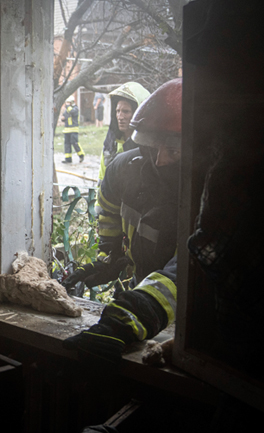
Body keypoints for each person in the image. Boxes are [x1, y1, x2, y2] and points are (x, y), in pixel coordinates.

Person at [62, 78, 182, 365]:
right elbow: (108, 208)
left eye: (174, 151)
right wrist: (112, 254)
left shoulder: (205, 198)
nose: (160, 160)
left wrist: (124, 321)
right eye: (155, 147)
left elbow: (184, 274)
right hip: (145, 301)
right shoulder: (124, 170)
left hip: (184, 321)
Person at [98, 82, 151, 182]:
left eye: (126, 111)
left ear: (139, 114)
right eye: (118, 111)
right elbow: (102, 180)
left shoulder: (149, 149)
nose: (120, 117)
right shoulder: (110, 145)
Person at [61, 96, 84, 164]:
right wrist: (63, 118)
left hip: (74, 130)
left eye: (68, 102)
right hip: (66, 130)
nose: (67, 104)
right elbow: (65, 116)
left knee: (75, 143)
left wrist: (68, 106)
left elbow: (72, 112)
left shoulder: (75, 109)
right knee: (67, 145)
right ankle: (68, 159)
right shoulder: (67, 110)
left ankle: (81, 155)